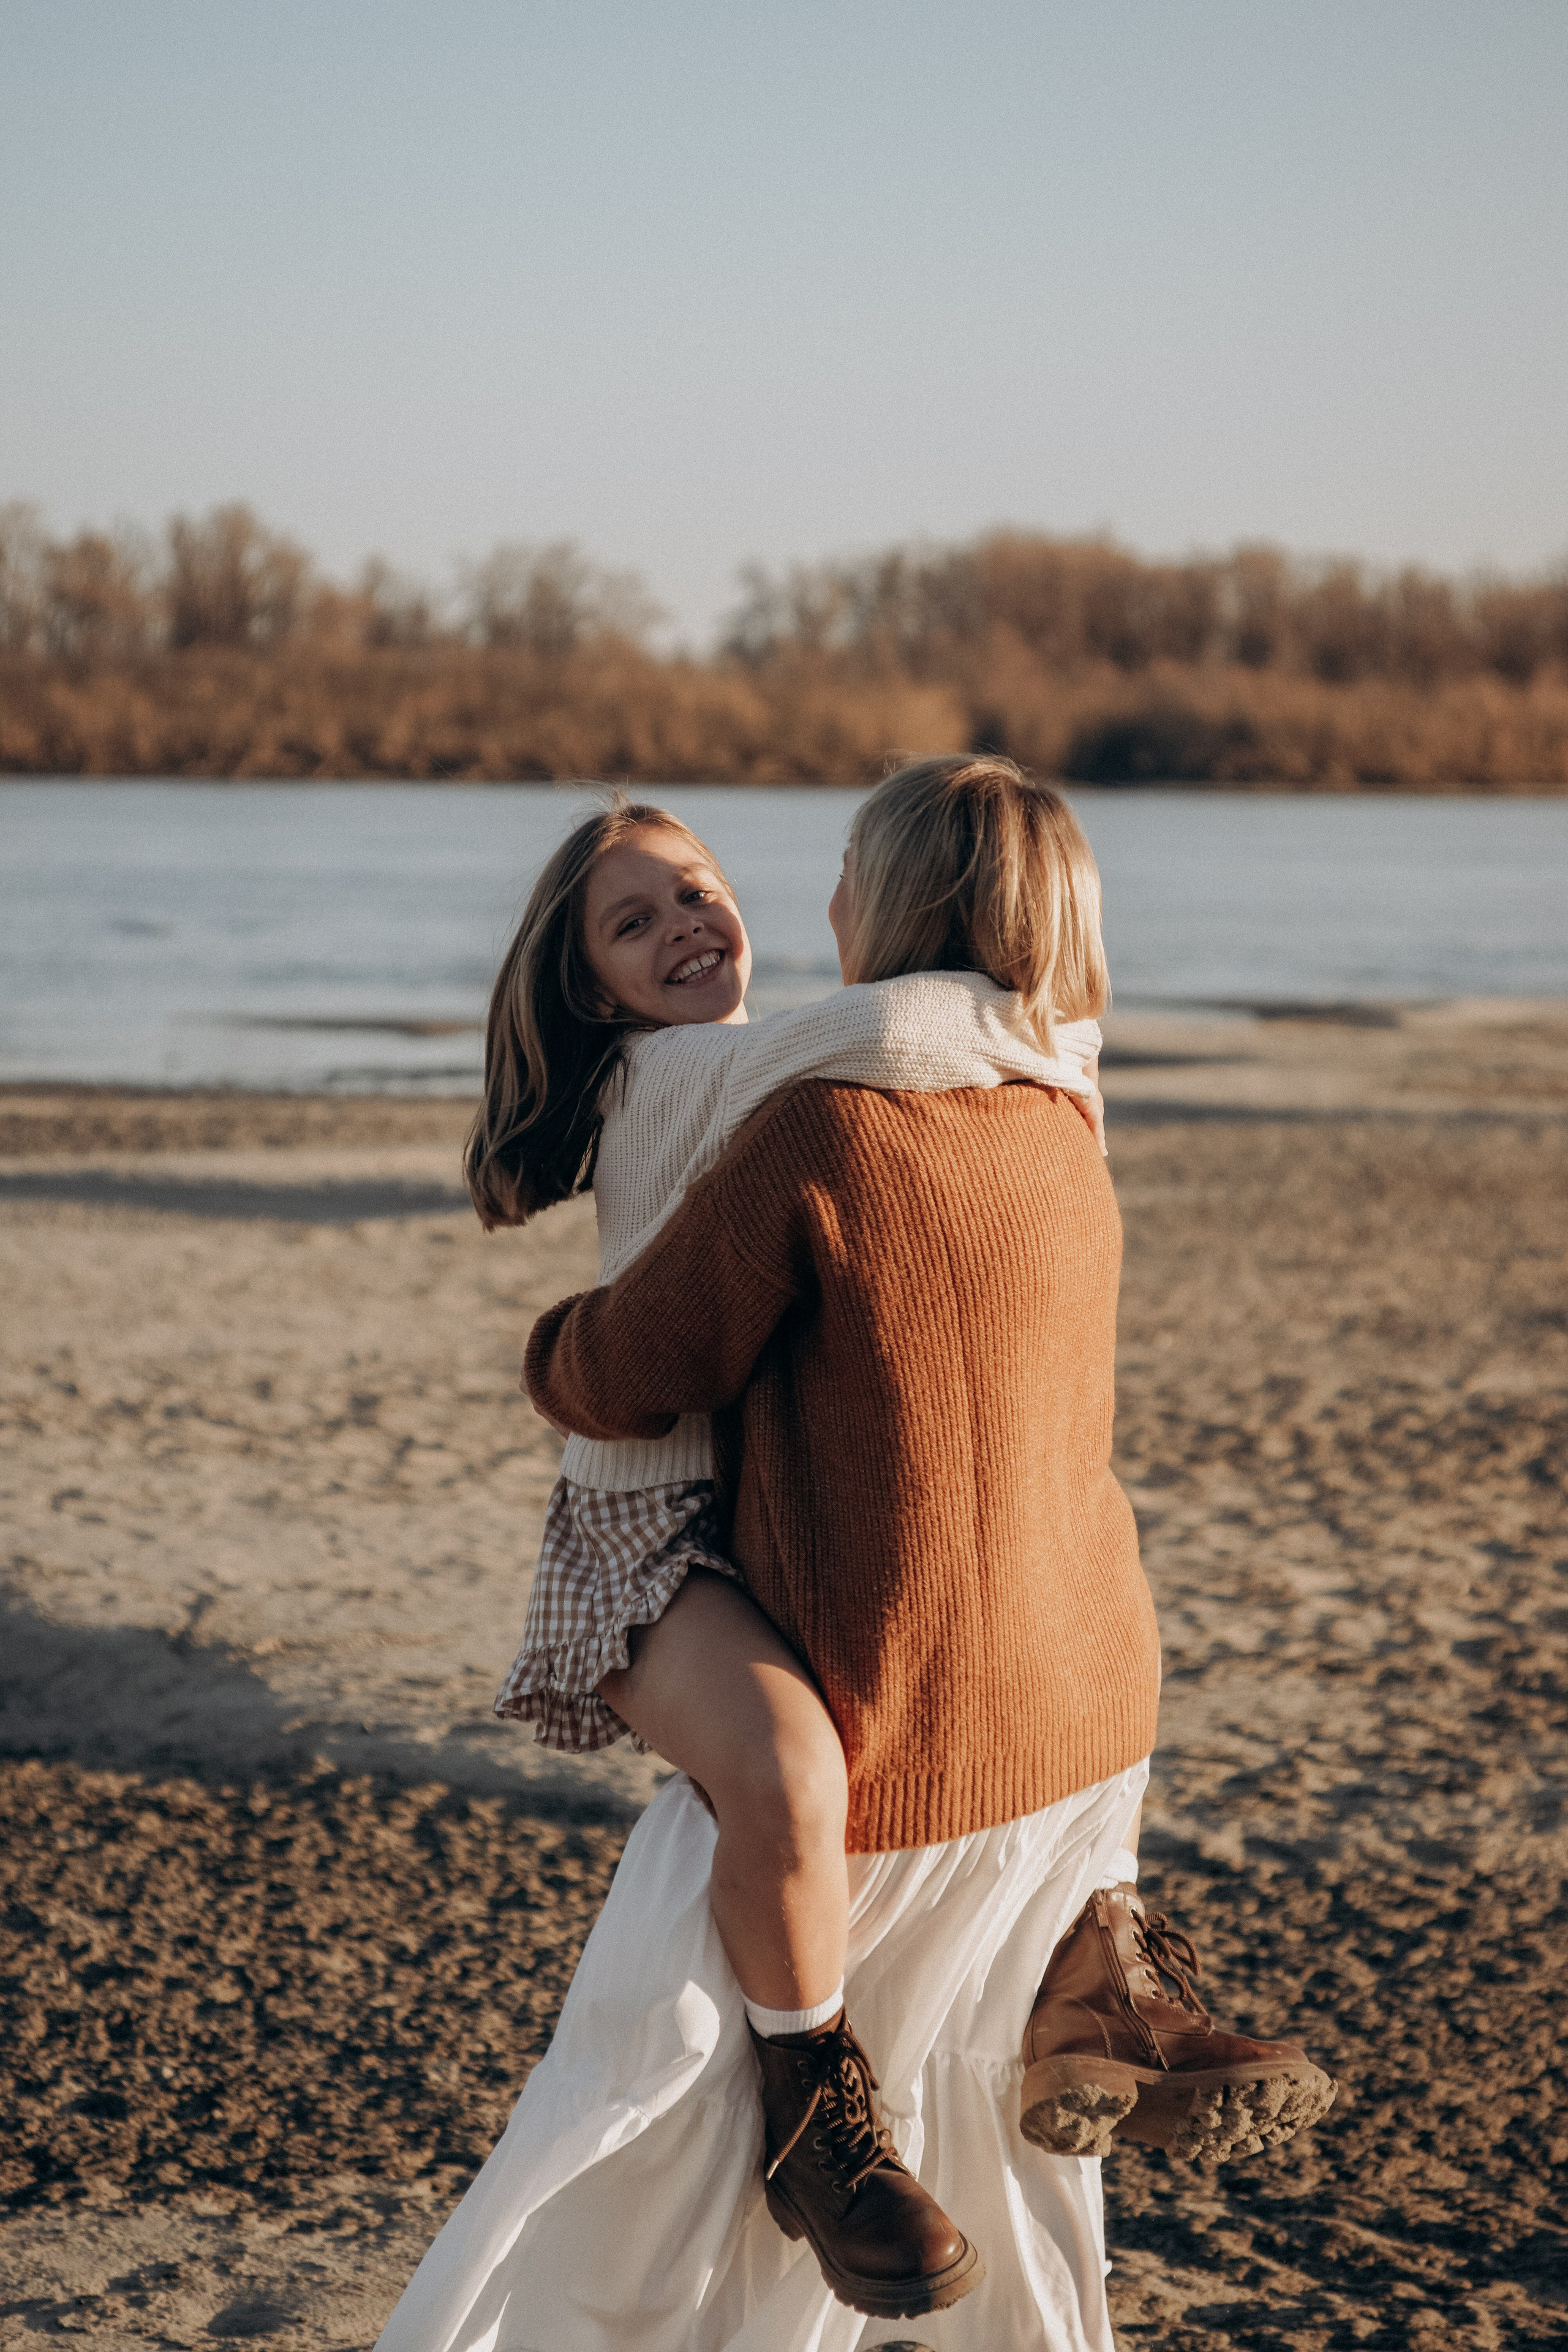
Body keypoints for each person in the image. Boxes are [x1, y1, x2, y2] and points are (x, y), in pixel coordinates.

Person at [376, 759, 1332, 2352]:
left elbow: (636, 1361)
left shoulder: (824, 1109)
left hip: (838, 1588)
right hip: (913, 1614)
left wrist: (553, 1352)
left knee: (819, 1769)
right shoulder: (1048, 1089)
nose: (700, 920)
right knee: (884, 1733)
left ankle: (948, 2034)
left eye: (701, 891)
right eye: (634, 920)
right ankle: (1080, 1976)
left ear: (884, 902)